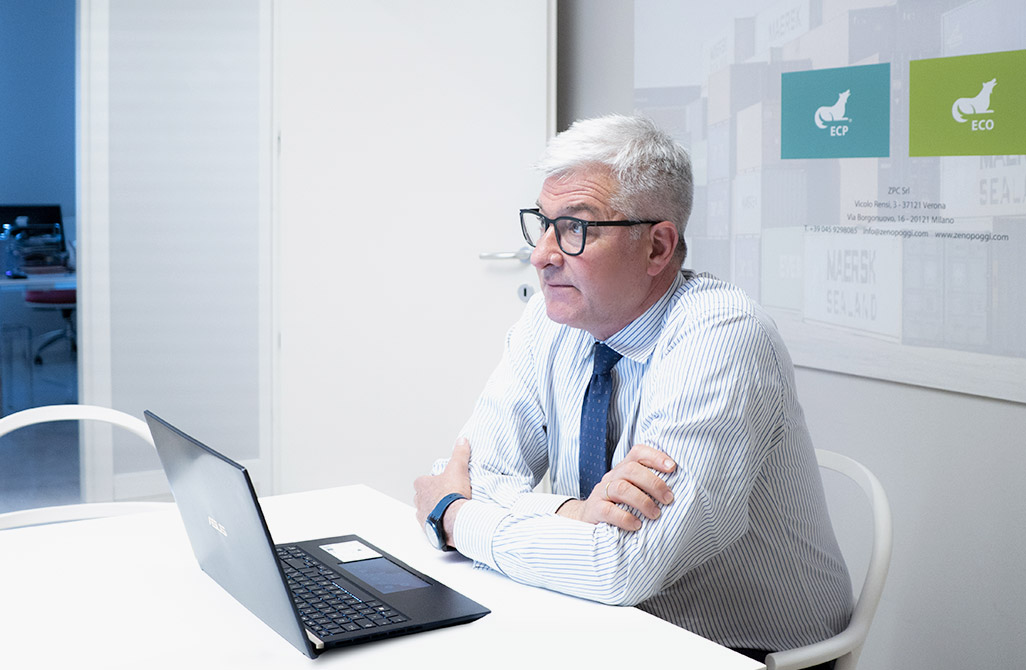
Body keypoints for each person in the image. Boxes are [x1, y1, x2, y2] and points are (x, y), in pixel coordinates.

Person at [414, 115, 852, 666]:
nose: (541, 255)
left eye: (575, 228)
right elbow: (471, 471)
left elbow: (622, 565)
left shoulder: (722, 337)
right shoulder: (548, 320)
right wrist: (574, 513)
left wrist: (453, 517)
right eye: (543, 224)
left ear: (657, 247)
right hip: (605, 621)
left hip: (740, 649)